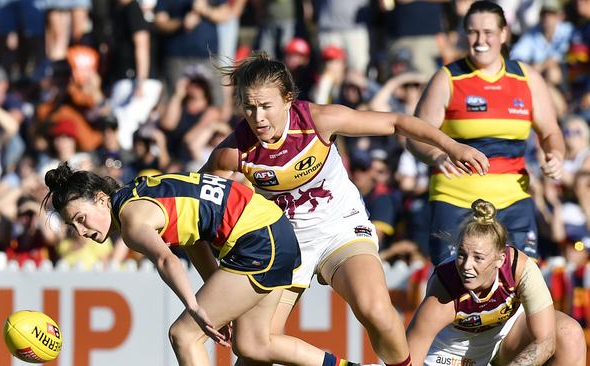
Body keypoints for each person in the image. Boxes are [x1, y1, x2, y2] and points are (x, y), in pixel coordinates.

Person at [201, 51, 489, 366]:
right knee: (252, 346)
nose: (258, 119)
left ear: (287, 99)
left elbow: (396, 122)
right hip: (283, 244)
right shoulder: (231, 153)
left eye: (266, 106)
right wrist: (220, 293)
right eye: (249, 107)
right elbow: (196, 219)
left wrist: (452, 146)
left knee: (376, 310)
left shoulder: (319, 120)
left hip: (340, 228)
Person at [42, 163, 360, 366]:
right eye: (74, 227)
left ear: (101, 198)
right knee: (253, 346)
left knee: (183, 335)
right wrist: (221, 305)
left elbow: (167, 260)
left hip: (258, 240)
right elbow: (192, 240)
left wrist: (195, 307)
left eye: (81, 219)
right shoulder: (139, 191)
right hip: (274, 231)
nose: (82, 231)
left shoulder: (131, 221)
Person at [407, 0, 565, 265]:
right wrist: (437, 155)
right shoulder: (448, 78)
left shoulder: (527, 79)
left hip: (513, 201)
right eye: (472, 32)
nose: (480, 40)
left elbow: (550, 131)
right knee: (452, 289)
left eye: (488, 32)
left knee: (524, 288)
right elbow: (414, 136)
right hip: (455, 199)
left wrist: (556, 155)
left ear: (504, 34)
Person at [406, 199, 586, 366]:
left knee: (569, 334)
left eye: (478, 258)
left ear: (500, 259)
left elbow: (546, 341)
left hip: (505, 339)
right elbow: (411, 355)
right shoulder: (445, 286)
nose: (467, 266)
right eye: (462, 255)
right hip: (451, 355)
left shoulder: (520, 268)